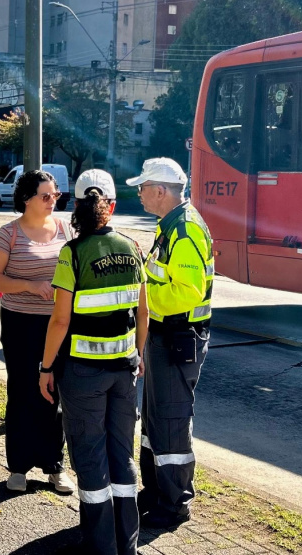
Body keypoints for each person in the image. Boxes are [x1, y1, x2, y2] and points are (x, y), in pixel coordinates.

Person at [39, 169, 148, 555]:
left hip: (83, 374)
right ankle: (127, 543)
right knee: (122, 455)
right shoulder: (133, 247)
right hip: (124, 371)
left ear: (76, 205)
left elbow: (60, 319)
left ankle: (101, 546)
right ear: (111, 205)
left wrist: (46, 366)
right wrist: (139, 354)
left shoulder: (73, 253)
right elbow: (143, 312)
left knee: (90, 458)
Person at [127, 158, 214, 529]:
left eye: (143, 187)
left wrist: (140, 298)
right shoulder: (172, 226)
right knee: (155, 421)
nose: (139, 193)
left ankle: (175, 504)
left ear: (160, 191)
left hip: (178, 337)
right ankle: (157, 492)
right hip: (165, 336)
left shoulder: (186, 229)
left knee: (171, 422)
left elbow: (188, 293)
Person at [0, 169, 75, 495]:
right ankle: (19, 467)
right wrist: (28, 286)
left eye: (56, 194)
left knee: (54, 394)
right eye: (46, 195)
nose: (54, 200)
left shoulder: (65, 228)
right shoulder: (9, 234)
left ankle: (54, 466)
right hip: (21, 323)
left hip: (59, 324)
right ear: (26, 199)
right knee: (22, 392)